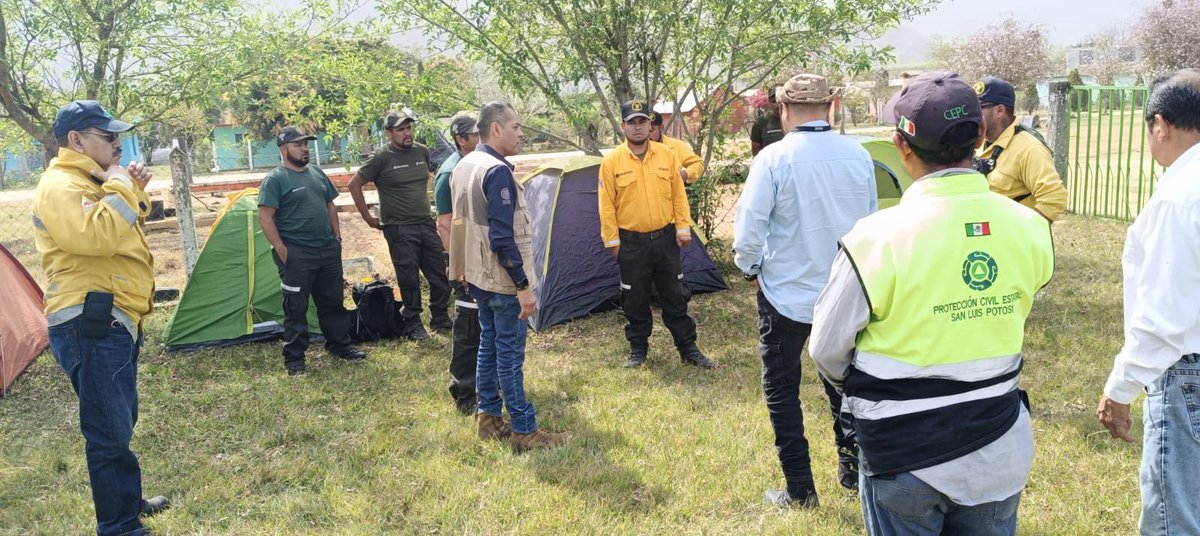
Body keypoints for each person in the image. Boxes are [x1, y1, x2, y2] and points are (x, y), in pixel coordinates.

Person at [809, 72, 1054, 535]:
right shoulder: (1030, 226)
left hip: (903, 455)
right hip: (998, 446)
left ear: (902, 147)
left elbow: (826, 350)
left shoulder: (873, 239)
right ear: (980, 137)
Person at [733, 73, 876, 507]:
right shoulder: (859, 154)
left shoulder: (774, 158)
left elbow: (748, 232)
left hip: (785, 295)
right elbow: (871, 225)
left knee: (782, 391)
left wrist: (750, 267)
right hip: (845, 293)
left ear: (783, 109)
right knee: (846, 383)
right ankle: (852, 472)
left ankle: (800, 490)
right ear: (831, 107)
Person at [32, 100, 170, 535]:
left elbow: (123, 226)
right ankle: (120, 525)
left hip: (113, 316)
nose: (116, 142)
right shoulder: (61, 185)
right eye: (107, 135)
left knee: (120, 420)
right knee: (108, 432)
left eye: (117, 136)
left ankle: (127, 502)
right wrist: (120, 186)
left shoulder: (92, 179)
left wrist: (132, 190)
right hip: (90, 321)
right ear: (76, 140)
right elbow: (96, 237)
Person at [1096, 68, 1200, 536]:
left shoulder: (1179, 197)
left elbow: (1163, 315)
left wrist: (1121, 389)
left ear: (1161, 124)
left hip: (1185, 372)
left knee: (1172, 517)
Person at [448, 101, 571, 451]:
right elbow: (502, 237)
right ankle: (524, 429)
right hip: (502, 280)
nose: (521, 133)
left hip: (478, 276)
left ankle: (488, 419)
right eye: (515, 126)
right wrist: (522, 287)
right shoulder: (496, 171)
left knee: (488, 346)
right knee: (509, 355)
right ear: (496, 129)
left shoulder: (466, 164)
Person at [599, 99, 716, 370]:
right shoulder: (612, 162)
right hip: (632, 242)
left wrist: (683, 228)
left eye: (642, 122)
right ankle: (638, 349)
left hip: (665, 240)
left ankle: (688, 349)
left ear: (650, 125)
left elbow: (678, 195)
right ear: (623, 126)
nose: (638, 127)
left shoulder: (667, 155)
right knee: (634, 298)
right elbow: (606, 205)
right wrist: (613, 243)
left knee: (675, 295)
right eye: (632, 122)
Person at [258, 126, 367, 375]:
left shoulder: (317, 173)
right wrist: (282, 249)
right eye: (298, 144)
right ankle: (295, 359)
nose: (304, 148)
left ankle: (340, 345)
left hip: (327, 249)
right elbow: (265, 217)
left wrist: (336, 237)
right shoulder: (275, 179)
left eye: (306, 144)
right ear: (284, 149)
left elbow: (330, 205)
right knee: (295, 307)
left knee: (332, 301)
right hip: (296, 253)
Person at [348, 110, 451, 340]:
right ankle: (412, 323)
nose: (407, 133)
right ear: (389, 133)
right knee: (409, 278)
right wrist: (367, 217)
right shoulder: (381, 158)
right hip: (398, 228)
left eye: (408, 128)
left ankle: (440, 316)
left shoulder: (421, 151)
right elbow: (354, 184)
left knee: (440, 276)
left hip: (425, 223)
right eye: (400, 129)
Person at [434, 112, 482, 415]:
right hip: (464, 264)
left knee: (483, 327)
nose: (482, 137)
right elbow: (444, 224)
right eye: (475, 133)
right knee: (468, 329)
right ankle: (464, 392)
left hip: (481, 259)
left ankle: (486, 385)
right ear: (461, 139)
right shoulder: (449, 173)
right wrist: (459, 266)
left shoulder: (474, 165)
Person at [973, 76, 1068, 221]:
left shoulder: (1029, 148)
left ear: (999, 110)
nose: (972, 115)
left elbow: (1053, 197)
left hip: (1012, 240)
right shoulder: (978, 144)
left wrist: (1025, 233)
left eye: (978, 109)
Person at [648, 111, 703, 184]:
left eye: (651, 130)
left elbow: (698, 163)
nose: (647, 135)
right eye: (644, 130)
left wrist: (685, 174)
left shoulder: (676, 146)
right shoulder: (635, 150)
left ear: (661, 128)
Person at [750, 88, 785, 156]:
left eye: (781, 100)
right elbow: (756, 150)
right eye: (774, 101)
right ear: (769, 102)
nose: (778, 105)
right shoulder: (761, 122)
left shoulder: (797, 120)